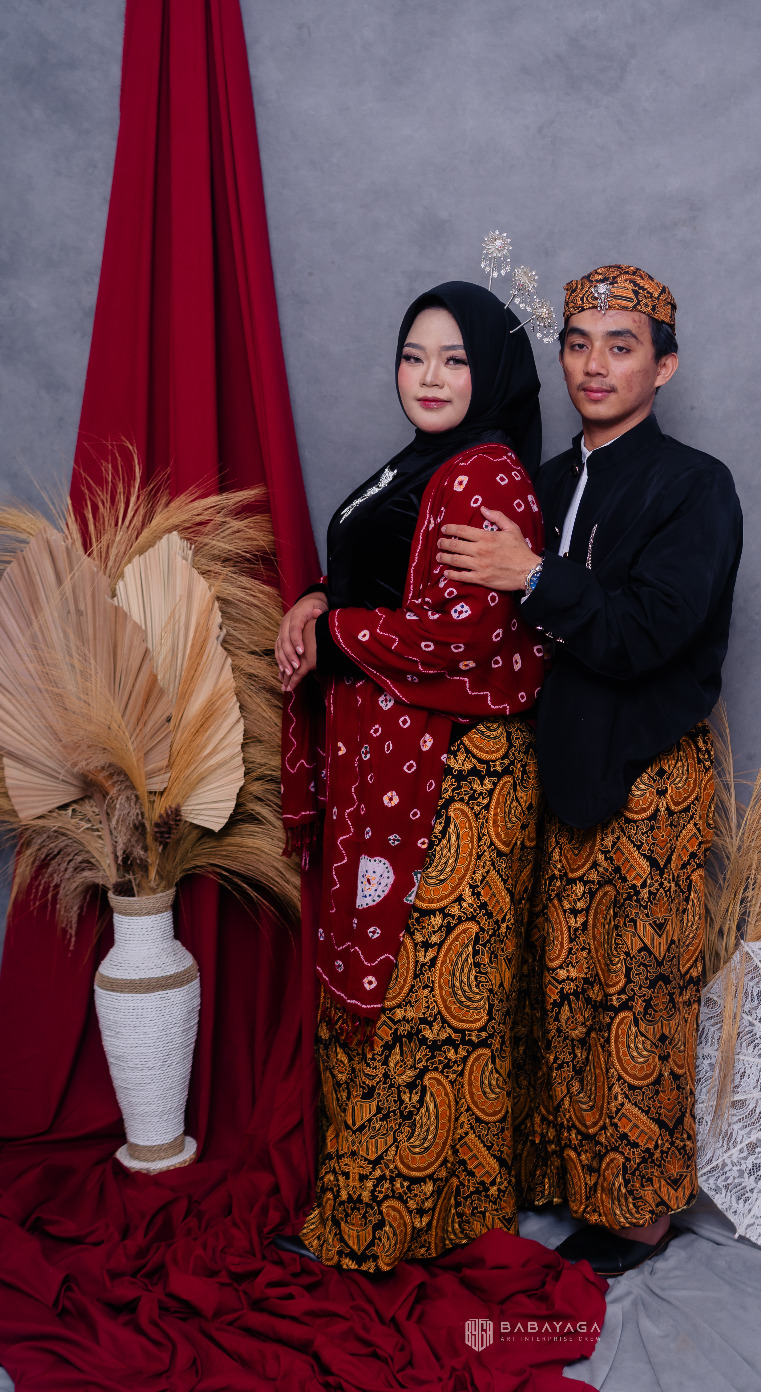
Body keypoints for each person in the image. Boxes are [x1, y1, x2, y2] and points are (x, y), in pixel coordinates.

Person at [436, 263, 743, 1276]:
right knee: (562, 981)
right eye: (578, 344)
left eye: (621, 345)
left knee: (636, 991)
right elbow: (440, 578)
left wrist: (533, 574)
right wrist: (318, 595)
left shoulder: (694, 486)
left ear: (664, 366)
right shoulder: (542, 481)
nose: (595, 364)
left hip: (649, 771)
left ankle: (641, 1213)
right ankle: (568, 1180)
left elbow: (649, 631)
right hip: (555, 759)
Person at [275, 281, 547, 1272]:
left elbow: (462, 631)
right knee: (390, 983)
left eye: (454, 360)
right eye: (413, 356)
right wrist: (317, 598)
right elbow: (382, 571)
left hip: (452, 775)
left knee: (425, 994)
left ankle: (385, 1224)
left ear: (491, 372)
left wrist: (335, 631)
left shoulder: (485, 476)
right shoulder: (419, 464)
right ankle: (401, 1209)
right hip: (393, 760)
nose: (429, 377)